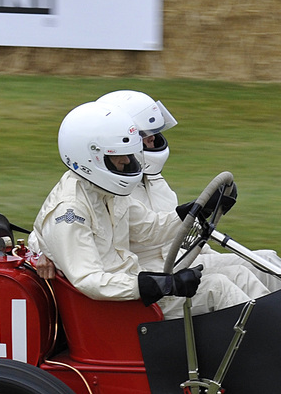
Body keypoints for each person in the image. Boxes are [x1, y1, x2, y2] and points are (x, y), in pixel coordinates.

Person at [31, 103, 252, 319]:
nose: (127, 161)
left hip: (133, 290)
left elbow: (150, 229)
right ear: (90, 157)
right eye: (119, 155)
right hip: (118, 310)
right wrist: (161, 284)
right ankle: (271, 345)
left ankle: (278, 330)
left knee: (236, 276)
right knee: (218, 287)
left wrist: (197, 210)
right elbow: (89, 279)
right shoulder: (69, 211)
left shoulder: (104, 191)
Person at [97, 89, 281, 302]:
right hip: (156, 274)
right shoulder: (112, 191)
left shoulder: (153, 179)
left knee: (266, 260)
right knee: (240, 278)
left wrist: (209, 212)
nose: (153, 140)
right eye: (145, 135)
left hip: (182, 257)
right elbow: (154, 229)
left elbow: (178, 230)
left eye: (153, 134)